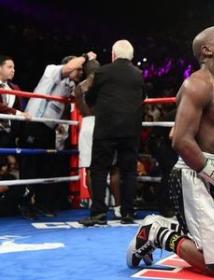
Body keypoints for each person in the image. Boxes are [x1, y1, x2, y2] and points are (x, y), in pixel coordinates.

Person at [127, 26, 214, 278]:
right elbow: (180, 140)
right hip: (195, 174)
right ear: (206, 50)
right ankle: (156, 232)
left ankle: (186, 228)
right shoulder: (196, 84)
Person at [20, 51, 96, 218]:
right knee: (30, 164)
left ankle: (41, 204)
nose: (80, 71)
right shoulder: (52, 70)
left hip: (48, 128)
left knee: (46, 166)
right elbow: (70, 67)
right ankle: (25, 203)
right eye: (79, 69)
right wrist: (86, 56)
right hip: (34, 123)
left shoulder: (70, 84)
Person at [79, 40, 144, 226]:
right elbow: (143, 97)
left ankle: (99, 214)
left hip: (106, 128)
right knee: (129, 172)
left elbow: (90, 98)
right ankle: (128, 213)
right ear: (131, 56)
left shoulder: (103, 71)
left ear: (113, 55)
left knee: (99, 170)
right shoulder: (138, 74)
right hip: (130, 129)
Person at [75, 59, 122, 220]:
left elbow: (82, 108)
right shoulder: (107, 83)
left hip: (88, 124)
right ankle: (118, 207)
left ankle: (97, 209)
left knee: (90, 168)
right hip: (106, 123)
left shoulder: (80, 87)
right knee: (114, 167)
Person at [0, 55, 30, 147]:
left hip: (8, 133)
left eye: (14, 68)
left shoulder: (15, 88)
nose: (13, 70)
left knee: (12, 160)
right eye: (9, 67)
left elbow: (21, 109)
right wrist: (17, 113)